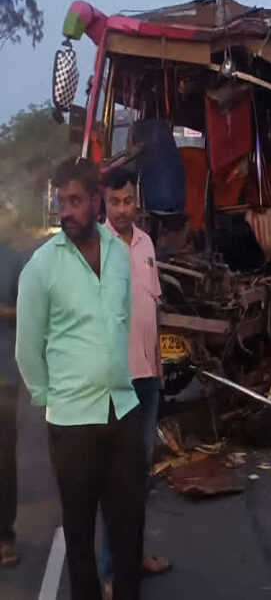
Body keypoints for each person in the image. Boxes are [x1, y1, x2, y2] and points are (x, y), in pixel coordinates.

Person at [16, 157, 146, 600]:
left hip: (122, 411)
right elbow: (27, 349)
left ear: (96, 202)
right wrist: (51, 397)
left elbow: (122, 320)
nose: (65, 210)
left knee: (129, 532)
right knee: (79, 538)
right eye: (61, 201)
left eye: (74, 201)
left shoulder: (119, 255)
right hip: (71, 423)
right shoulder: (41, 267)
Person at [97, 166, 169, 596]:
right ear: (103, 203)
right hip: (115, 382)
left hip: (148, 378)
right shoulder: (97, 248)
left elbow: (152, 304)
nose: (123, 210)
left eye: (128, 201)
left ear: (136, 199)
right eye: (115, 203)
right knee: (114, 478)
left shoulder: (145, 243)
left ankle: (134, 555)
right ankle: (110, 569)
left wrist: (158, 362)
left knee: (141, 475)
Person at [0, 239, 26, 569]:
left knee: (3, 460)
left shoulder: (12, 258)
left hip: (4, 376)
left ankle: (4, 536)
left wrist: (4, 311)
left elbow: (31, 310)